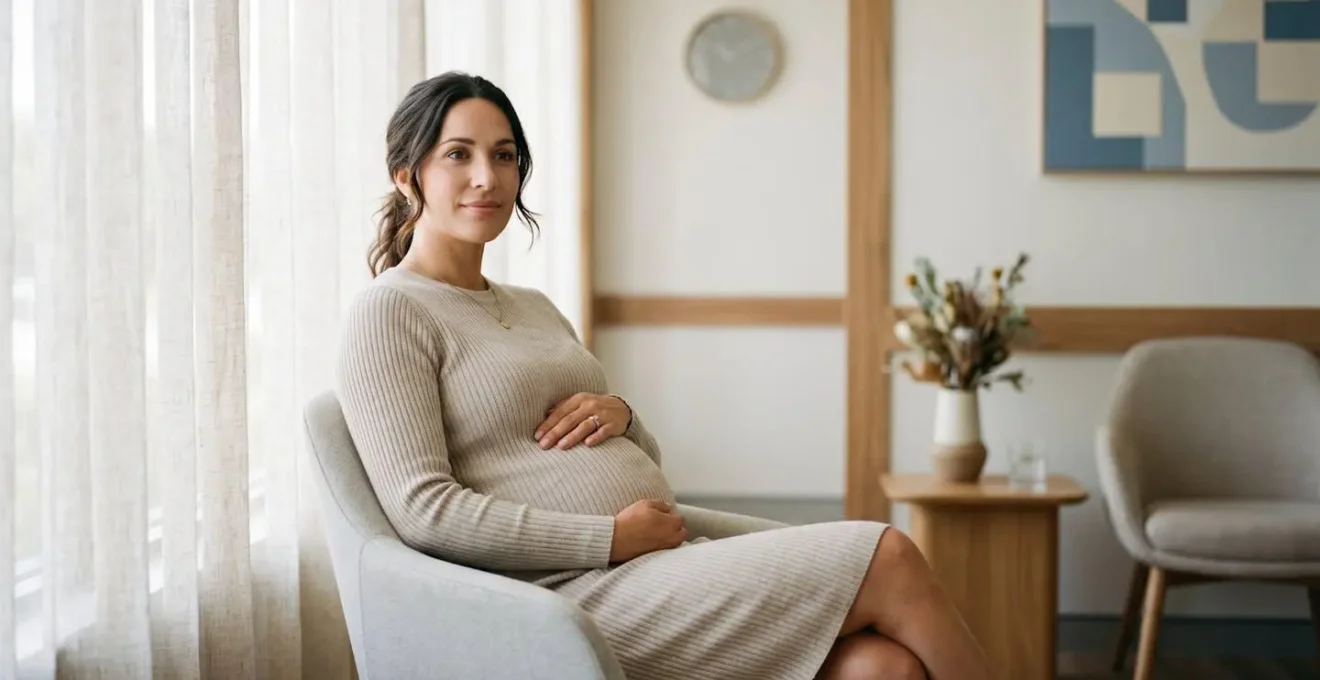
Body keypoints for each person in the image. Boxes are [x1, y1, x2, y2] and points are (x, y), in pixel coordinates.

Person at [335, 70, 995, 680]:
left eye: (504, 155)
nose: (487, 176)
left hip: (657, 557)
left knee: (880, 669)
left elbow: (638, 454)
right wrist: (609, 538)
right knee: (890, 557)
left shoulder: (532, 307)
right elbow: (424, 510)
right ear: (405, 174)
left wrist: (623, 413)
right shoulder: (389, 312)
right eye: (458, 154)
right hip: (564, 591)